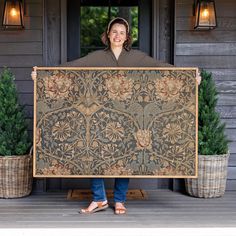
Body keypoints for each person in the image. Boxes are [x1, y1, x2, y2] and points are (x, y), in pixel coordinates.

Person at [32, 17, 201, 215]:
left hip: (127, 119)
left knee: (125, 158)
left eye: (122, 32)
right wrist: (43, 75)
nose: (117, 35)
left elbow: (161, 67)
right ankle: (99, 199)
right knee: (93, 156)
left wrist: (190, 78)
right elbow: (72, 67)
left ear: (127, 36)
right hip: (101, 119)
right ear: (108, 34)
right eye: (114, 31)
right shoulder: (97, 57)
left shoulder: (137, 58)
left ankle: (120, 200)